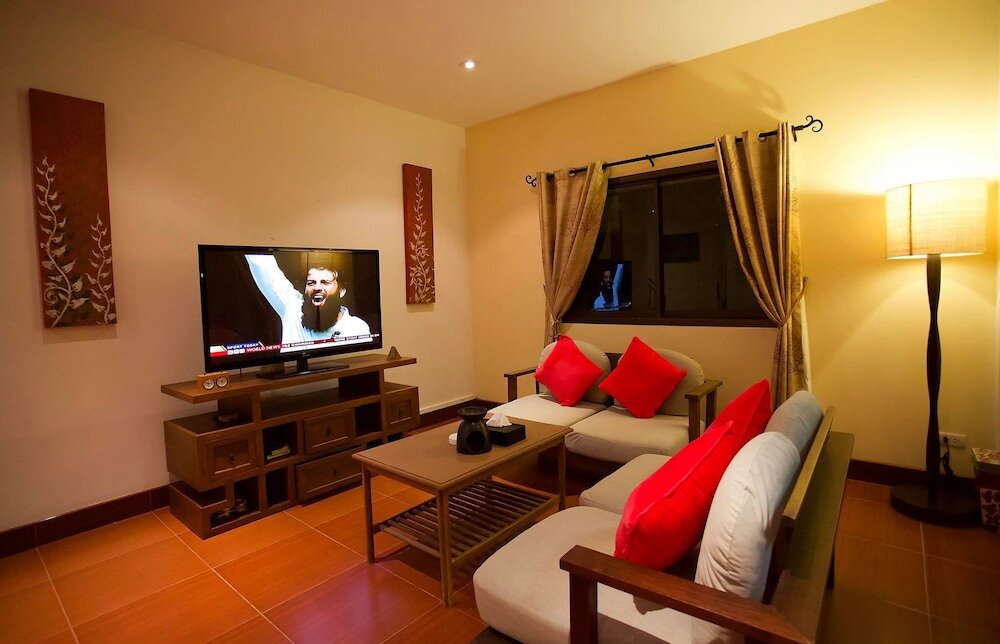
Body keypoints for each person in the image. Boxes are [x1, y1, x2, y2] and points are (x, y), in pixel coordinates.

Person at [246, 254, 370, 347]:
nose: (316, 288)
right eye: (311, 283)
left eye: (325, 282)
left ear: (341, 291)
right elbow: (262, 264)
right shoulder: (292, 307)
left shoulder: (356, 328)